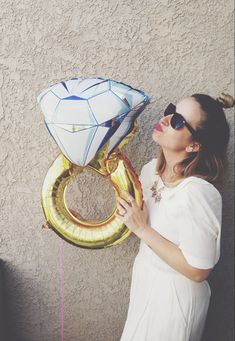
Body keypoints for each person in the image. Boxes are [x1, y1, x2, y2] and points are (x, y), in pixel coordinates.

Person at [116, 93, 235, 341]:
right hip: (146, 281)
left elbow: (199, 270)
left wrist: (142, 229)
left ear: (194, 145)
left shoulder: (198, 192)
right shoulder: (150, 171)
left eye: (179, 121)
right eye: (172, 110)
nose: (167, 118)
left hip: (176, 299)